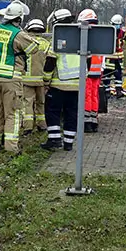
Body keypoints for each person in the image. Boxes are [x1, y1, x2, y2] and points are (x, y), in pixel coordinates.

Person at [0, 0, 37, 153]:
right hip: (10, 79)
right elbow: (33, 49)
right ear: (19, 18)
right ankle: (11, 148)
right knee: (12, 114)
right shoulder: (18, 34)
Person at [41, 8, 80, 150]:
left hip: (58, 84)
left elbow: (50, 63)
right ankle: (69, 143)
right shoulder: (80, 38)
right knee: (71, 113)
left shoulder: (57, 39)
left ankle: (54, 139)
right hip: (77, 85)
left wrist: (46, 81)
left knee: (52, 111)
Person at [22, 18, 51, 134]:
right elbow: (49, 62)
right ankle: (42, 125)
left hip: (26, 79)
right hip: (42, 80)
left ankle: (28, 127)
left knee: (28, 103)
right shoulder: (47, 44)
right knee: (41, 103)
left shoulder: (25, 42)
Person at [77, 9, 104, 133]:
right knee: (94, 96)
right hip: (97, 72)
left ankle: (86, 122)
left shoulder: (86, 33)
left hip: (87, 71)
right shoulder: (100, 34)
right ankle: (94, 121)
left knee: (86, 96)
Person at [106, 14, 126, 97]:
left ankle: (109, 91)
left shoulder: (109, 32)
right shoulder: (122, 33)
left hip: (112, 58)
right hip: (115, 57)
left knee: (109, 75)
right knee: (114, 75)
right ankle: (116, 91)